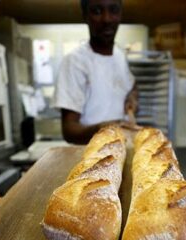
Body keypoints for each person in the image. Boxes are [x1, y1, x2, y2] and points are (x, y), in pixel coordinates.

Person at [52, 0, 138, 144]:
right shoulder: (75, 62)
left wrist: (132, 97)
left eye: (113, 10)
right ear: (85, 16)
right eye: (97, 11)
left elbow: (133, 85)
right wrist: (103, 130)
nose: (107, 19)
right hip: (90, 156)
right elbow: (69, 130)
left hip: (121, 148)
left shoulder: (119, 56)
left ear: (120, 14)